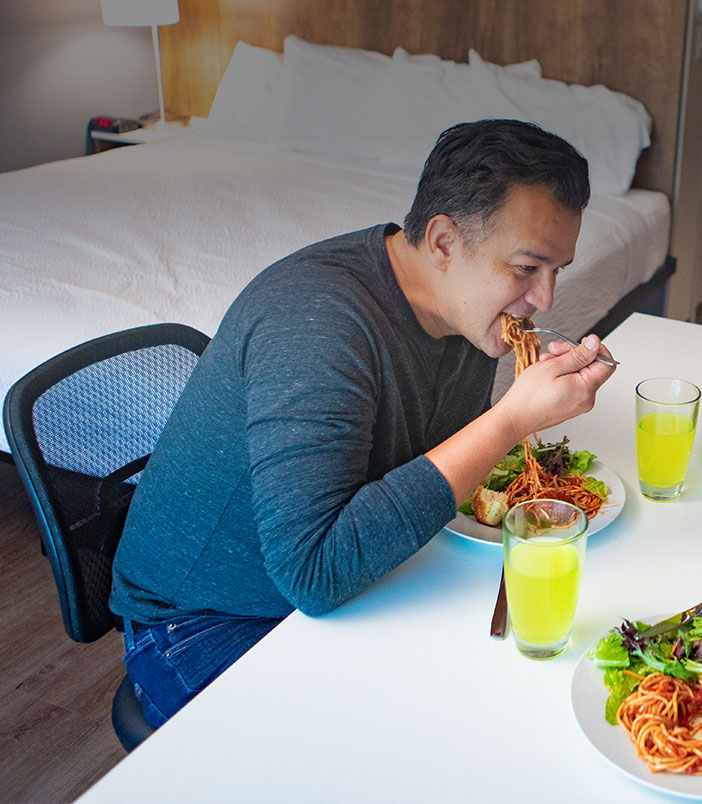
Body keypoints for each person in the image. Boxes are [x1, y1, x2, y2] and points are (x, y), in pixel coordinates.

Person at [109, 120, 615, 726]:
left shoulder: (465, 312)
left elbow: (427, 459)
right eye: (527, 267)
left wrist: (524, 412)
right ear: (444, 242)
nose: (545, 299)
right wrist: (510, 421)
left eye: (557, 270)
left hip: (358, 583)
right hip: (203, 622)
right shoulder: (318, 323)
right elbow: (313, 572)